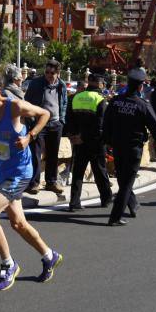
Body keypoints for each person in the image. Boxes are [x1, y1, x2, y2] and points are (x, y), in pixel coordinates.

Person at [0, 71, 63, 291]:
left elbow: (44, 114)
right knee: (18, 224)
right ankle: (49, 255)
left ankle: (9, 265)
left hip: (20, 172)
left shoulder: (14, 107)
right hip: (3, 171)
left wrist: (29, 136)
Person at [102, 67, 156, 226]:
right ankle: (115, 216)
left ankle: (133, 204)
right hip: (133, 148)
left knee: (123, 179)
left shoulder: (115, 101)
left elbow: (106, 122)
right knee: (127, 182)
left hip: (117, 145)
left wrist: (107, 140)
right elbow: (154, 126)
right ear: (140, 86)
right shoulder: (142, 104)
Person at [64, 72, 113, 212]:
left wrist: (74, 136)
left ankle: (74, 203)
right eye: (103, 83)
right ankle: (106, 198)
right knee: (100, 171)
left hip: (78, 142)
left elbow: (69, 119)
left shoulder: (75, 97)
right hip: (95, 142)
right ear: (99, 84)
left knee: (78, 172)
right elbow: (100, 126)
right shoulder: (100, 100)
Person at [24, 59, 68, 194]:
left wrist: (61, 120)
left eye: (52, 73)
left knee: (53, 154)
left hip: (55, 124)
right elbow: (27, 102)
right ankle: (34, 183)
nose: (48, 75)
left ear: (58, 73)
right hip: (39, 123)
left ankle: (51, 182)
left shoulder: (62, 85)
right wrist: (32, 120)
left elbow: (64, 102)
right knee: (36, 154)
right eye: (47, 72)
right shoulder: (36, 83)